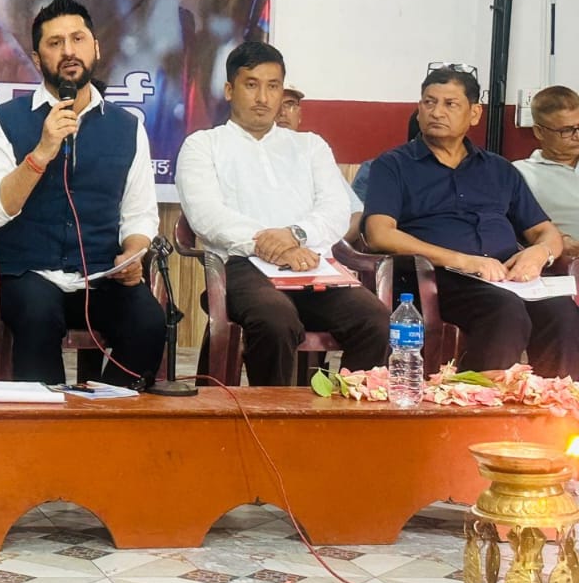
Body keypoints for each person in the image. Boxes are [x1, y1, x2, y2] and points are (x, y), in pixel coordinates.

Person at [0, 0, 164, 386]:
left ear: (96, 47)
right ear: (37, 57)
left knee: (148, 321)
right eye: (55, 43)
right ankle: (48, 420)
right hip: (26, 274)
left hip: (101, 276)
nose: (68, 51)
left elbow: (140, 213)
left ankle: (107, 413)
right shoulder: (5, 121)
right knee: (38, 314)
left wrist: (133, 252)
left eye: (78, 39)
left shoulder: (127, 127)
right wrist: (41, 152)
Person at [176, 42, 389, 386]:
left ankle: (344, 413)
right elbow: (207, 215)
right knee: (276, 320)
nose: (263, 97)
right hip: (243, 266)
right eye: (251, 85)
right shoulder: (203, 145)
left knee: (376, 319)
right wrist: (273, 247)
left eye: (273, 86)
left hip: (313, 266)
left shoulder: (310, 146)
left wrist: (295, 235)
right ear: (229, 90)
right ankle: (271, 415)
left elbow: (337, 210)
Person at [364, 66, 579, 376]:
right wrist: (463, 260)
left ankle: (548, 402)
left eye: (450, 104)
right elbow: (379, 234)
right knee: (505, 311)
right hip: (440, 276)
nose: (437, 112)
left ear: (474, 113)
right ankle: (476, 400)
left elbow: (545, 231)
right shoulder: (393, 165)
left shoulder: (499, 169)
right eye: (429, 102)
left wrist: (539, 253)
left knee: (563, 314)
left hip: (504, 276)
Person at [275, 80, 364, 243]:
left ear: (299, 115)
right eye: (276, 103)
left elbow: (356, 215)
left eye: (290, 104)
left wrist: (324, 248)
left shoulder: (314, 150)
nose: (282, 112)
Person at [514, 85, 579, 257]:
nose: (577, 135)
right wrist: (559, 241)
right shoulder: (519, 173)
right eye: (566, 130)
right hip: (564, 260)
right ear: (539, 132)